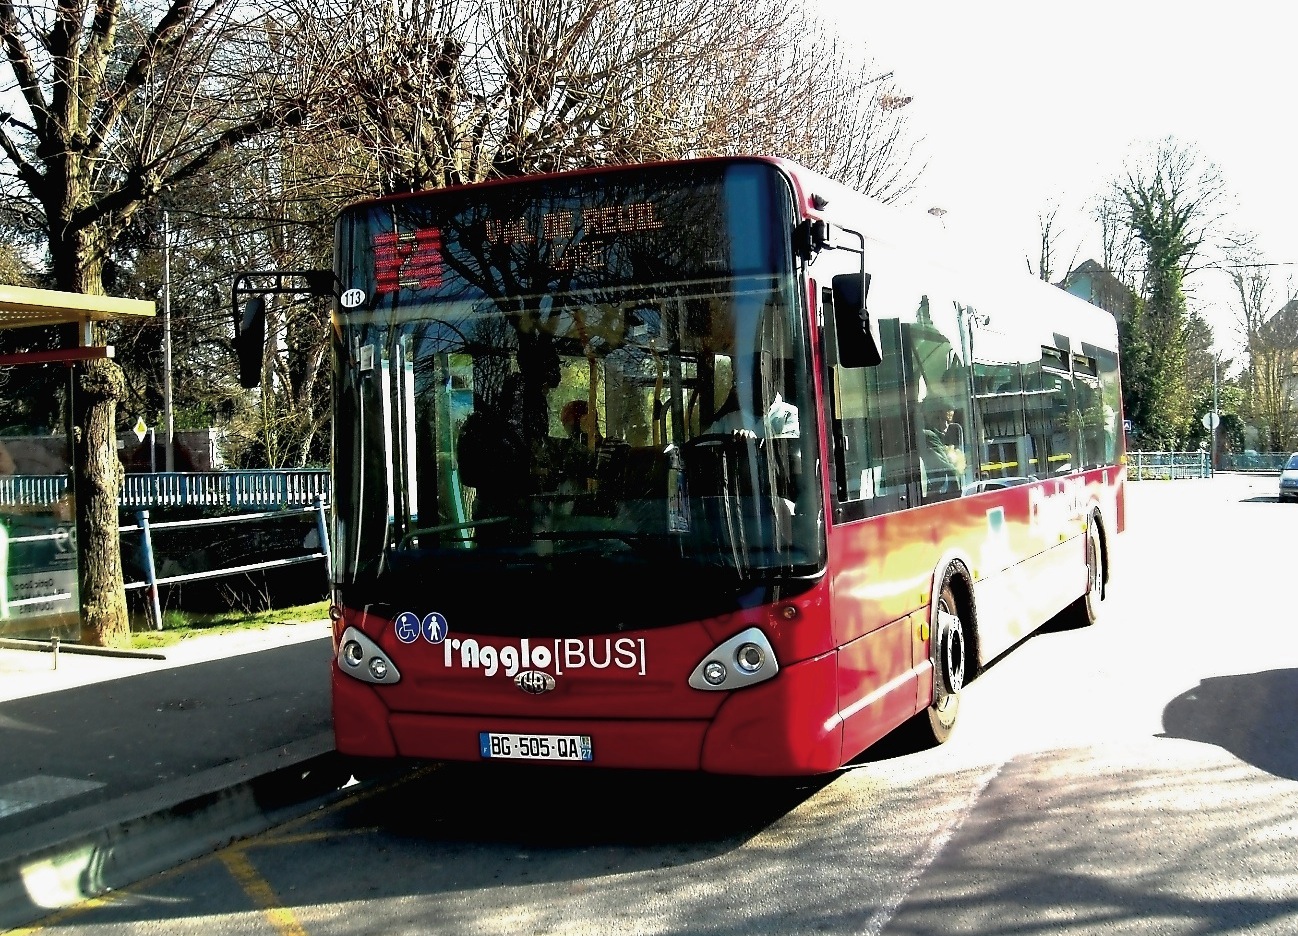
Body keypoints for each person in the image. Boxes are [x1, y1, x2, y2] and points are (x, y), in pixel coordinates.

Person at [921, 404, 964, 500]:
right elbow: (949, 469)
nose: (945, 426)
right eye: (941, 419)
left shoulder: (941, 437)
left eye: (948, 422)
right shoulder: (928, 435)